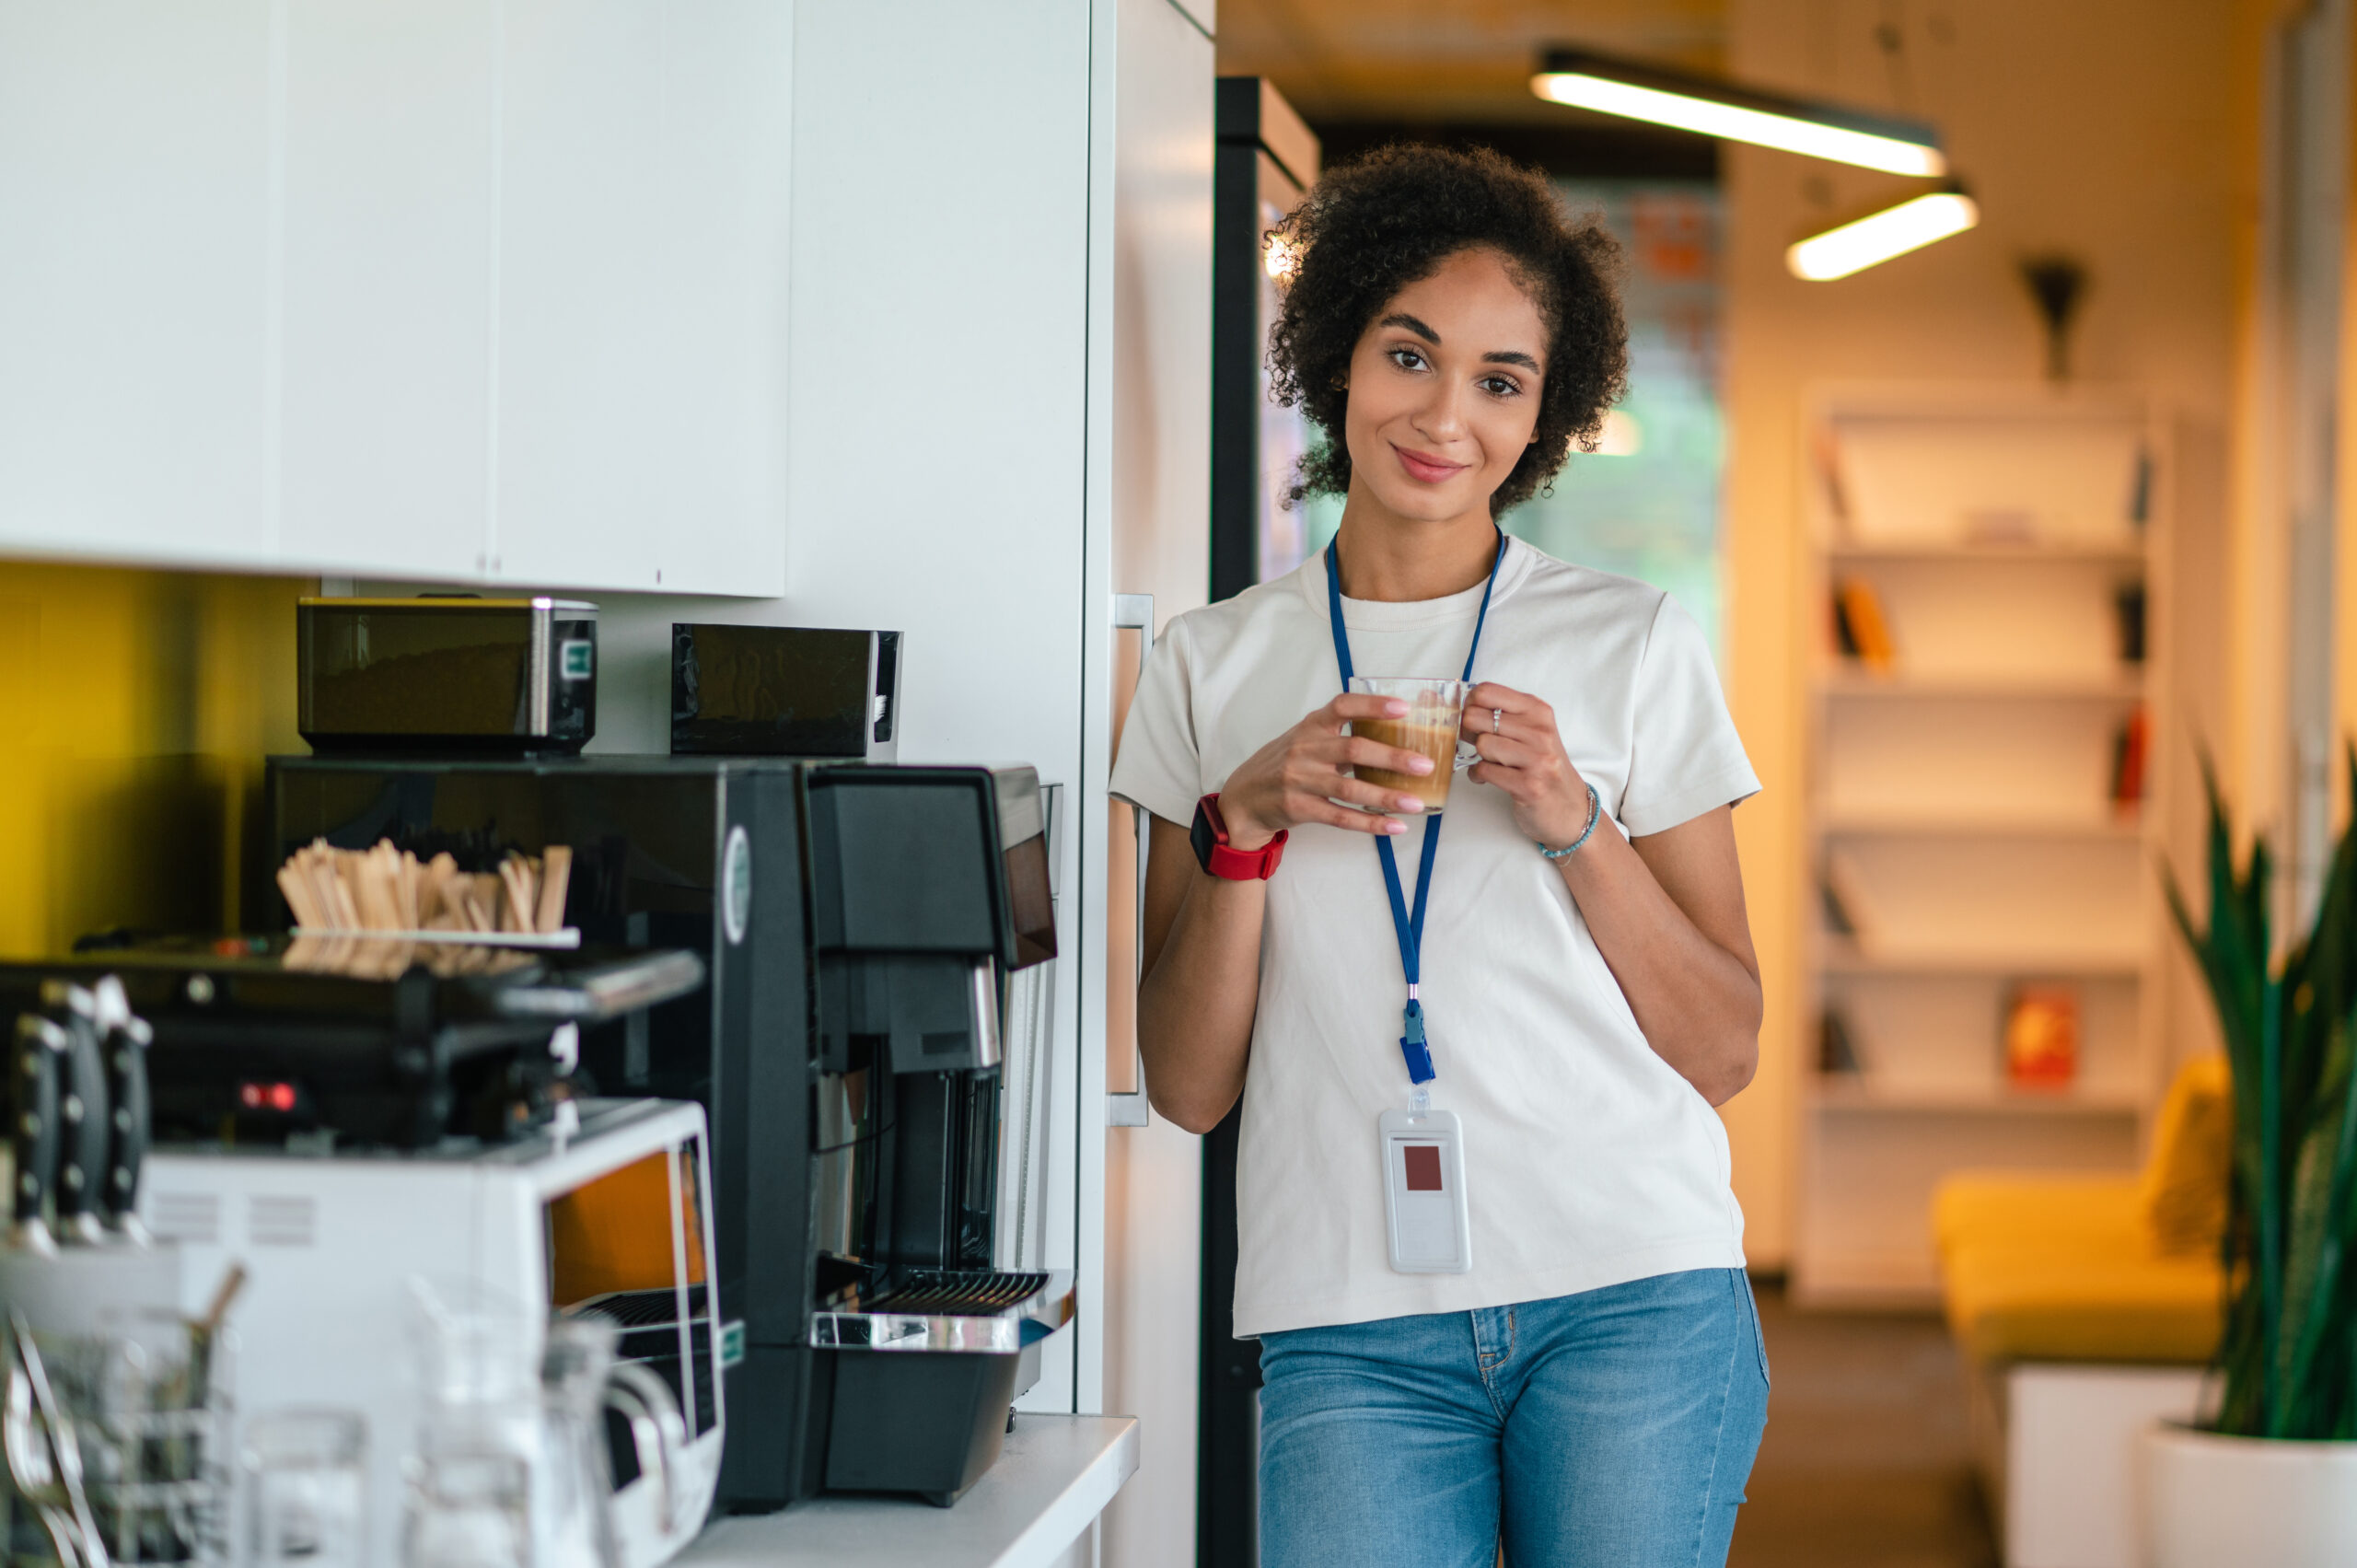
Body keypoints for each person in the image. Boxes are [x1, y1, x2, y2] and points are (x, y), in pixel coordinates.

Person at [1109, 145, 1770, 1568]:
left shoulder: (1632, 641)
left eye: (1500, 380)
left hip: (1634, 1297)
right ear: (1339, 346)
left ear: (1544, 415)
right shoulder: (1209, 668)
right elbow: (1186, 1084)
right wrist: (1245, 822)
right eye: (1410, 353)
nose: (1445, 416)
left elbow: (1723, 1045)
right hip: (1350, 1323)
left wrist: (1576, 823)